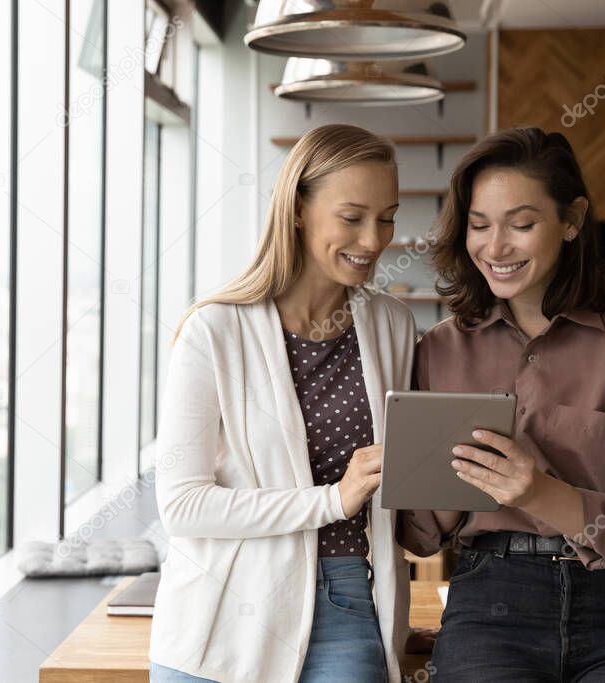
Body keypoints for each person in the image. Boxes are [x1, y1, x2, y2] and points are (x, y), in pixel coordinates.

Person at [397, 127, 605, 682]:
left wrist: (537, 490)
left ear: (571, 220)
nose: (495, 247)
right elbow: (420, 535)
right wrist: (438, 486)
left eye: (521, 224)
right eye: (478, 225)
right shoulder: (439, 350)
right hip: (493, 594)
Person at [149, 124, 416, 682]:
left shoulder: (392, 325)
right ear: (298, 209)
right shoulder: (213, 330)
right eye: (352, 217)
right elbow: (183, 506)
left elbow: (398, 488)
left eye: (387, 217)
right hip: (222, 611)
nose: (374, 240)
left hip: (345, 597)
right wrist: (330, 501)